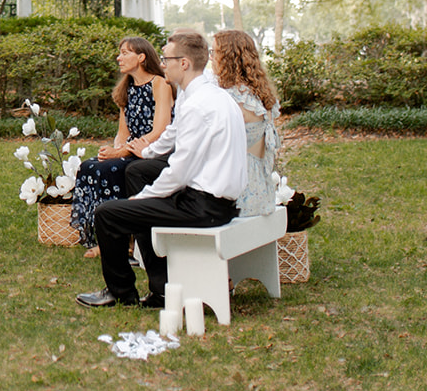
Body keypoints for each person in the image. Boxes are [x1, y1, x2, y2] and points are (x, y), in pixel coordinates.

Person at [76, 29, 246, 308]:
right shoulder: (205, 95)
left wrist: (140, 199)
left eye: (166, 59)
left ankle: (120, 293)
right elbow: (170, 136)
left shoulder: (198, 105)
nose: (162, 64)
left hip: (204, 206)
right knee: (138, 171)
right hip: (214, 200)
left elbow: (179, 173)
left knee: (108, 214)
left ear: (184, 64)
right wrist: (145, 150)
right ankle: (160, 288)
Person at [70, 37, 173, 255]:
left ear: (141, 57)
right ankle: (104, 236)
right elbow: (123, 133)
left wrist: (122, 153)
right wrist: (113, 150)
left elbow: (160, 130)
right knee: (90, 166)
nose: (119, 57)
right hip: (130, 149)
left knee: (110, 168)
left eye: (125, 53)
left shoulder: (159, 84)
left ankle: (124, 237)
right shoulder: (126, 89)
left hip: (151, 150)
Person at [211, 29, 282, 217]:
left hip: (237, 194)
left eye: (214, 53)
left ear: (227, 58)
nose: (210, 59)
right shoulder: (260, 95)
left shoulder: (232, 98)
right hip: (262, 191)